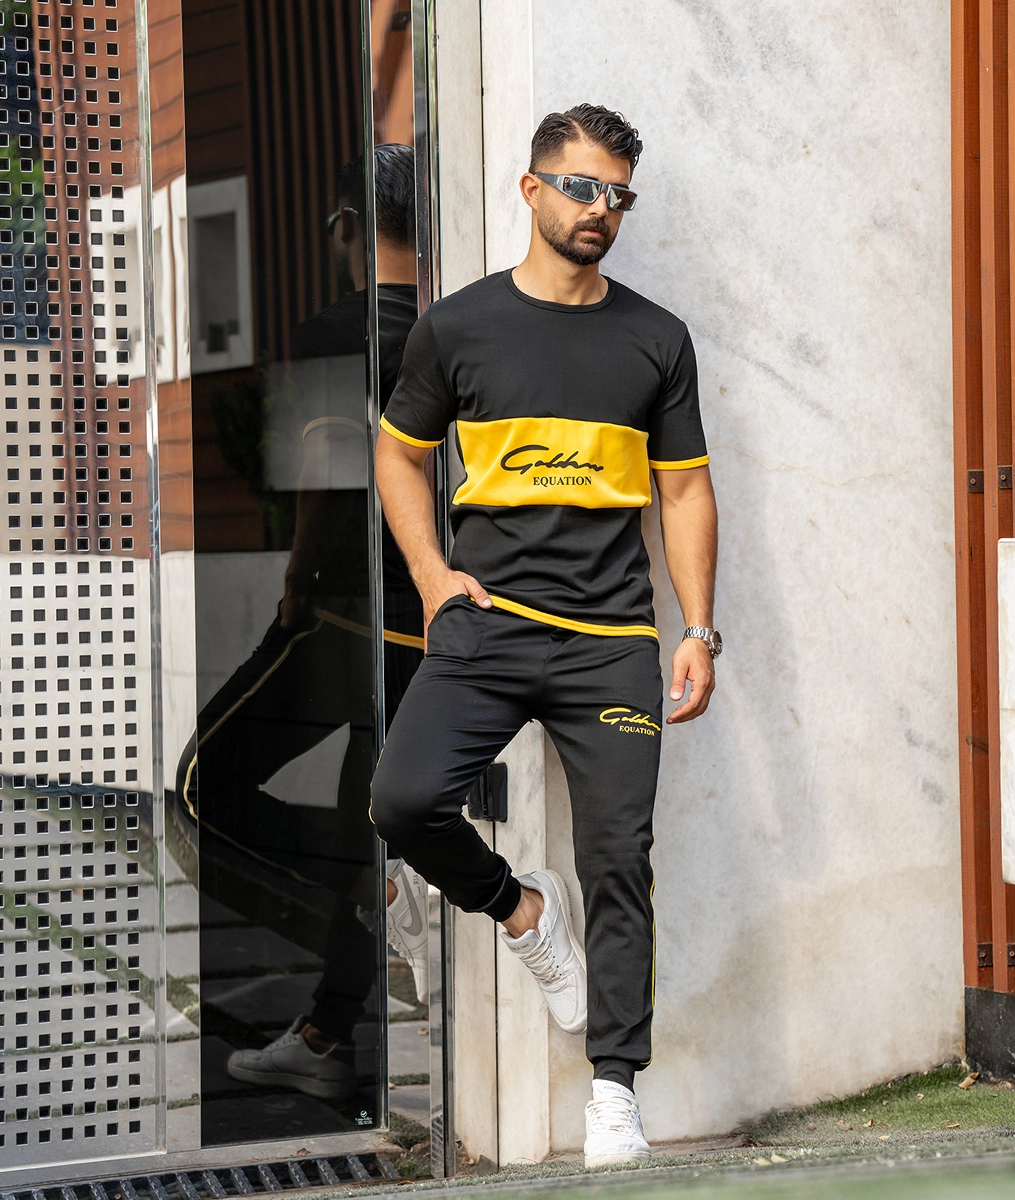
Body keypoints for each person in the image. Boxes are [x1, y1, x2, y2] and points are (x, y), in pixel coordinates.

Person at [371, 105, 721, 1165]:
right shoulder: (457, 328)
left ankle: (614, 1094)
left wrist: (699, 628)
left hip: (611, 639)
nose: (599, 209)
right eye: (581, 187)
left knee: (619, 857)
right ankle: (525, 912)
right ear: (531, 190)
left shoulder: (656, 339)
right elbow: (398, 455)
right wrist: (432, 578)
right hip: (487, 626)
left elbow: (685, 491)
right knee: (403, 801)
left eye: (617, 194)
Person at [179, 145, 429, 1102]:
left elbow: (330, 474)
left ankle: (377, 884)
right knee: (366, 810)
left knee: (205, 784)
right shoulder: (456, 327)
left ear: (347, 228)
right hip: (437, 623)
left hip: (345, 616)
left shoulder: (335, 330)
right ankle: (328, 1034)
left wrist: (296, 587)